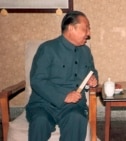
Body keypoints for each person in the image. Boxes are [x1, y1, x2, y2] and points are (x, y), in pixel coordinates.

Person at [25, 10, 98, 141]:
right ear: (71, 28)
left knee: (77, 120)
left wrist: (93, 79)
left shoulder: (86, 51)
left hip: (73, 106)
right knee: (40, 122)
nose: (89, 33)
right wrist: (63, 96)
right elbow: (37, 80)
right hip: (44, 104)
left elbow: (92, 71)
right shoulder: (47, 49)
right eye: (86, 28)